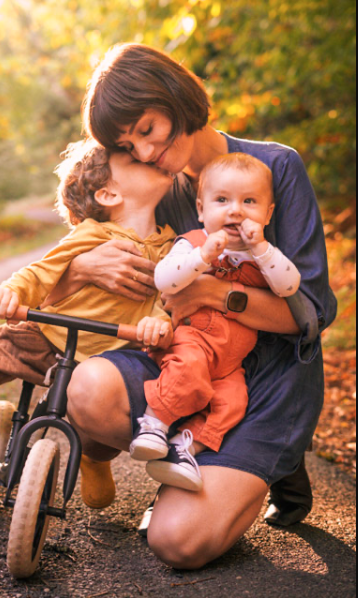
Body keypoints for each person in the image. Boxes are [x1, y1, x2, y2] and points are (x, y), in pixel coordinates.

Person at [47, 44, 337, 569]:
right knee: (85, 390)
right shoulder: (156, 187)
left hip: (269, 373)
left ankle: (265, 458)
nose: (142, 151)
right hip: (185, 355)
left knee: (176, 543)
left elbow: (313, 314)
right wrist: (81, 269)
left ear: (174, 98)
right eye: (126, 143)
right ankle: (195, 452)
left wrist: (213, 294)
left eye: (146, 128)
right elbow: (78, 246)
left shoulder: (276, 167)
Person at [0, 138, 176, 508]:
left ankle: (91, 459)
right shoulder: (93, 234)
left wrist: (158, 324)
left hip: (104, 359)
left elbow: (166, 301)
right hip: (47, 336)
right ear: (109, 193)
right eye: (135, 162)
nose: (150, 158)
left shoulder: (172, 246)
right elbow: (40, 273)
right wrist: (10, 292)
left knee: (97, 429)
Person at [130, 153, 301, 494]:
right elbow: (165, 280)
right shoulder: (192, 243)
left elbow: (288, 286)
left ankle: (183, 448)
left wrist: (262, 248)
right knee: (188, 369)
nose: (235, 211)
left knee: (234, 403)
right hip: (192, 340)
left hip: (230, 363)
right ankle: (154, 423)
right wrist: (204, 256)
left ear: (267, 213)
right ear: (201, 209)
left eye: (249, 201)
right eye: (222, 200)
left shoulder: (265, 256)